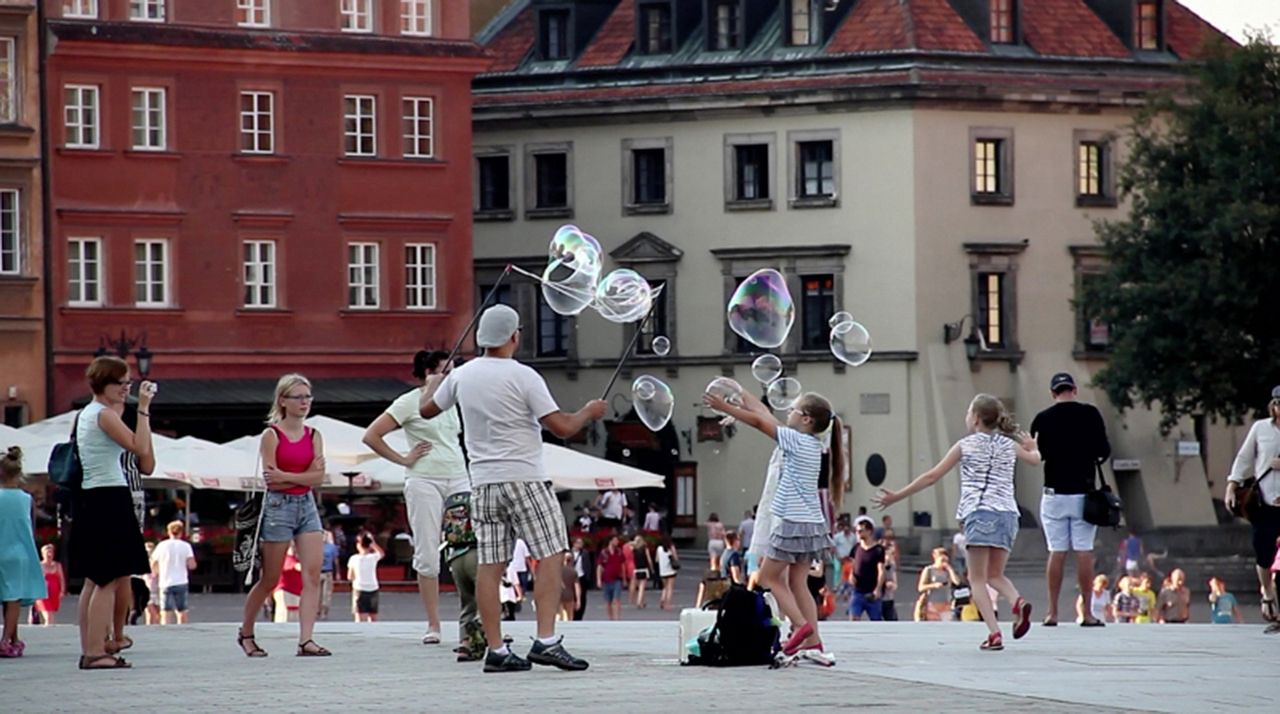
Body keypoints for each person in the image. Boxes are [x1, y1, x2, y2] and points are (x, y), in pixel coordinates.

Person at [418, 304, 606, 672]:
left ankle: (497, 651)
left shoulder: (462, 376)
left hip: (483, 483)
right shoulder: (524, 377)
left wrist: (436, 385)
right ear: (514, 337)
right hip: (525, 478)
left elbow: (426, 411)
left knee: (490, 566)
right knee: (551, 553)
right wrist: (588, 411)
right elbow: (562, 428)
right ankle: (546, 640)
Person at [876, 394, 1041, 651]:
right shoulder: (1009, 446)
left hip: (979, 513)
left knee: (976, 579)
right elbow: (1035, 460)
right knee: (995, 575)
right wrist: (1032, 446)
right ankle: (1017, 601)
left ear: (975, 419)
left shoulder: (965, 445)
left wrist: (897, 496)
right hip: (1008, 514)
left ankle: (995, 633)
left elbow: (932, 477)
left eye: (968, 412)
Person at [703, 388, 838, 665]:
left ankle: (800, 627)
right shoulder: (812, 443)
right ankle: (814, 642)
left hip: (791, 521)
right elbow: (764, 415)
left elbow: (759, 422)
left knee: (768, 578)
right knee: (798, 582)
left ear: (807, 420)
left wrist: (726, 408)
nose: (788, 413)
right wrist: (741, 394)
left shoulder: (794, 440)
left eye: (794, 410)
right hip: (812, 523)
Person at [363, 350, 468, 644]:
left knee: (469, 545)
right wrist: (403, 459)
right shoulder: (409, 401)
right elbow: (372, 435)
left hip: (458, 474)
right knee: (427, 550)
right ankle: (433, 624)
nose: (452, 375)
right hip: (424, 478)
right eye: (445, 370)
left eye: (453, 369)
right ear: (428, 372)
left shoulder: (455, 400)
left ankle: (472, 620)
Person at [71, 356, 155, 670]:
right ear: (103, 384)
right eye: (121, 383)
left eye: (128, 383)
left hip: (95, 496)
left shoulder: (86, 414)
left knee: (95, 580)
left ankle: (91, 647)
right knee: (107, 577)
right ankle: (95, 652)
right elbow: (140, 448)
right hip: (109, 495)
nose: (126, 389)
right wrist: (144, 409)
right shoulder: (104, 415)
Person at [237, 373, 330, 658]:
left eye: (308, 396)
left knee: (313, 574)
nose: (305, 402)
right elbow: (271, 481)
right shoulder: (271, 435)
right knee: (271, 577)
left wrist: (290, 476)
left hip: (306, 505)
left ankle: (306, 640)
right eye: (299, 397)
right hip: (278, 507)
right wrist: (301, 477)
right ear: (283, 401)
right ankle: (246, 632)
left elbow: (318, 478)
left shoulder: (314, 435)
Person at [1029, 372, 1110, 628]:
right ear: (1074, 389)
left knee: (1057, 550)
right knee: (1084, 550)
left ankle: (1052, 612)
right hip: (1083, 493)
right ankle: (1086, 613)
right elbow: (1103, 451)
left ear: (1053, 393)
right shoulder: (1091, 414)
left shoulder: (1043, 418)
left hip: (1054, 493)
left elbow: (1037, 453)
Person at [1225, 385, 1280, 633]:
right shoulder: (1261, 428)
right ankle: (1267, 595)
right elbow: (1244, 458)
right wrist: (1231, 485)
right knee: (1264, 554)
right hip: (1265, 503)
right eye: (1277, 404)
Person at [0, 447, 45, 657]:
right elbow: (32, 527)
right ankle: (6, 640)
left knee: (5, 596)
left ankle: (14, 638)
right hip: (19, 553)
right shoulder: (25, 499)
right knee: (14, 598)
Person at [441, 491, 484, 661]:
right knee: (487, 598)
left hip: (455, 555)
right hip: (477, 553)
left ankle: (464, 644)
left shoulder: (452, 499)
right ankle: (483, 627)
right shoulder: (481, 494)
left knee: (467, 601)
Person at [150, 521, 196, 625]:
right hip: (181, 581)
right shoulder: (186, 546)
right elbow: (192, 565)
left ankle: (166, 633)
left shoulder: (162, 545)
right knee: (182, 611)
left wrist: (156, 572)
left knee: (165, 611)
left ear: (168, 532)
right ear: (181, 532)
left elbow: (153, 562)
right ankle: (182, 631)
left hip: (165, 581)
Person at [847, 516, 885, 621]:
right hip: (857, 591)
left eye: (861, 531)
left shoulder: (878, 550)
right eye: (857, 531)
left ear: (869, 531)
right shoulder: (856, 548)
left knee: (876, 620)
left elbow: (881, 570)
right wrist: (851, 575)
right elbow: (853, 564)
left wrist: (878, 589)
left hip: (871, 591)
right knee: (854, 618)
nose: (858, 533)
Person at [347, 534, 383, 623]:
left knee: (359, 617)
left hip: (360, 588)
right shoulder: (373, 557)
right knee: (373, 616)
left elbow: (350, 576)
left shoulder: (354, 559)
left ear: (358, 545)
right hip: (373, 588)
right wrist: (373, 542)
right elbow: (381, 553)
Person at [916, 548, 959, 621]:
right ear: (936, 558)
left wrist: (950, 569)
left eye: (945, 560)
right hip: (933, 603)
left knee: (946, 627)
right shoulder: (929, 570)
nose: (943, 562)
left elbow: (957, 582)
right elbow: (920, 587)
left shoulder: (947, 571)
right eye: (942, 560)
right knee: (934, 628)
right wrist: (934, 585)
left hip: (946, 604)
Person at [596, 536, 626, 620]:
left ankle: (617, 618)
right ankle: (610, 618)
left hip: (617, 579)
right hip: (606, 579)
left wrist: (624, 578)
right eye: (615, 540)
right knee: (608, 601)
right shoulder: (604, 553)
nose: (617, 542)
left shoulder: (619, 552)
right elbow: (600, 567)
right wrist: (598, 579)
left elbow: (622, 565)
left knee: (616, 600)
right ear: (610, 541)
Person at [34, 544, 65, 627]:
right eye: (47, 553)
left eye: (51, 552)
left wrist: (62, 591)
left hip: (54, 594)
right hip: (42, 594)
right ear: (43, 554)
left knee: (51, 616)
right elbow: (35, 580)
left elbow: (61, 579)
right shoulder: (39, 566)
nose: (49, 555)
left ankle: (50, 633)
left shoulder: (57, 565)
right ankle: (47, 633)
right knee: (48, 615)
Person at [273, 545, 303, 623]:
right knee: (283, 615)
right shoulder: (286, 558)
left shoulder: (296, 559)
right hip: (285, 590)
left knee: (294, 616)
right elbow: (292, 566)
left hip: (295, 592)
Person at [318, 530, 339, 620]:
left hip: (328, 572)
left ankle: (324, 611)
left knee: (326, 594)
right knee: (317, 594)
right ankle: (316, 610)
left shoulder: (331, 547)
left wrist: (337, 572)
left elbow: (336, 560)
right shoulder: (314, 546)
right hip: (317, 572)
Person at [629, 535, 654, 607]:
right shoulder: (645, 548)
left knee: (638, 586)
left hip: (636, 569)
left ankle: (643, 602)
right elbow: (649, 559)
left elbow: (629, 544)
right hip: (644, 569)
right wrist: (651, 568)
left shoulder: (633, 549)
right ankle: (639, 602)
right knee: (642, 587)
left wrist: (634, 542)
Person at [656, 535, 679, 609]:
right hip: (670, 570)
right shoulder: (671, 547)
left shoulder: (659, 548)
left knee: (665, 587)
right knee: (670, 588)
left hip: (662, 570)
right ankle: (668, 604)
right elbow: (676, 558)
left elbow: (657, 559)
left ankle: (662, 599)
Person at [570, 537, 589, 621]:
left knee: (582, 596)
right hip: (571, 577)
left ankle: (580, 614)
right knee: (572, 595)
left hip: (581, 576)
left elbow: (588, 565)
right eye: (579, 542)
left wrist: (587, 576)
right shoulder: (569, 553)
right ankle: (572, 613)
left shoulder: (584, 553)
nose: (581, 544)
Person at [557, 552, 579, 623]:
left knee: (559, 616)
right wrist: (578, 600)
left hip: (559, 596)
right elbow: (577, 587)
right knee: (570, 617)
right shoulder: (573, 572)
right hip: (570, 596)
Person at [881, 538, 899, 621]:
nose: (892, 557)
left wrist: (893, 584)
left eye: (893, 554)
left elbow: (894, 582)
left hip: (889, 598)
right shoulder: (877, 564)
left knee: (893, 621)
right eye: (890, 553)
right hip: (878, 598)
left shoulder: (892, 564)